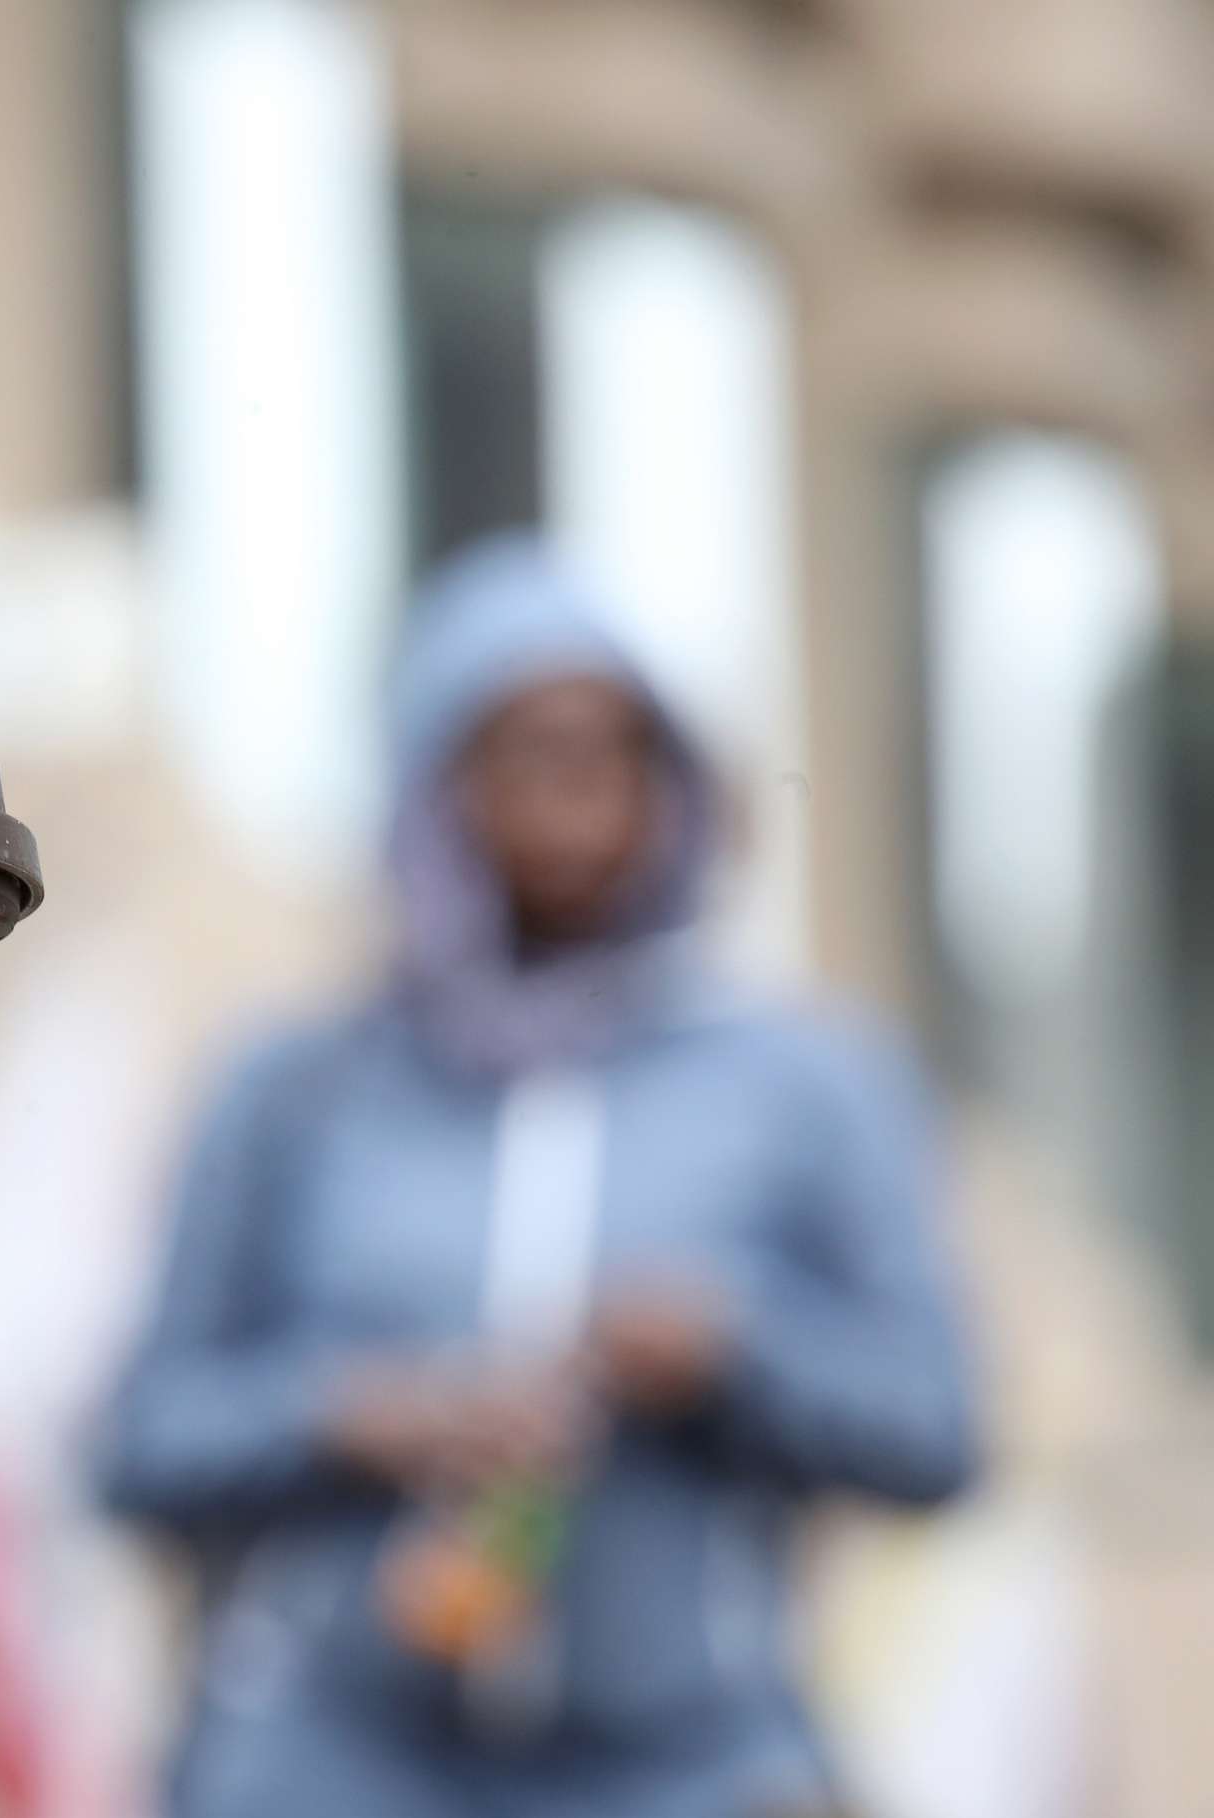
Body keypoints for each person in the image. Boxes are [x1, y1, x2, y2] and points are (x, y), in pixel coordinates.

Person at [98, 533, 979, 1818]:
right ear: (430, 782)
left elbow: (938, 1431)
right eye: (526, 752)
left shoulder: (806, 1085)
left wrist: (734, 1349)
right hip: (334, 1766)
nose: (580, 799)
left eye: (617, 753)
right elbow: (138, 1444)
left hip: (688, 1769)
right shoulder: (294, 1090)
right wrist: (354, 1414)